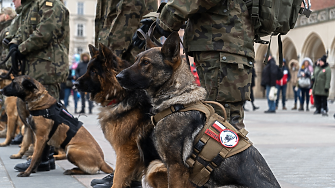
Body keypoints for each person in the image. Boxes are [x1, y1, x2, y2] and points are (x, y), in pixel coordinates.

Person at [141, 0, 255, 130]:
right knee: (222, 121)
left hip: (221, 47)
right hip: (222, 47)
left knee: (223, 123)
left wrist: (166, 20)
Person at [91, 1, 158, 188]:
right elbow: (106, 18)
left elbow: (127, 11)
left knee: (132, 122)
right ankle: (127, 176)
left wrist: (112, 58)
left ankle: (125, 179)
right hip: (119, 51)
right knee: (129, 130)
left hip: (127, 51)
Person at [5, 0, 69, 173]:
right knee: (29, 115)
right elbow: (23, 30)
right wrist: (14, 44)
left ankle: (43, 158)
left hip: (48, 67)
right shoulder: (34, 5)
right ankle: (40, 156)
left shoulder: (51, 3)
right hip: (32, 68)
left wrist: (21, 47)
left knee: (46, 116)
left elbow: (46, 31)